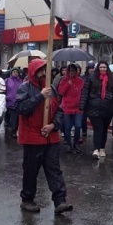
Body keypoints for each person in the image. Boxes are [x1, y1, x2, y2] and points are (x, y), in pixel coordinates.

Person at [15, 59, 72, 214]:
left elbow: (60, 110)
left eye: (45, 70)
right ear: (33, 72)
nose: (43, 73)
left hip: (51, 137)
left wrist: (53, 125)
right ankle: (27, 200)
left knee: (54, 169)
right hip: (33, 137)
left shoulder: (52, 88)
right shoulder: (25, 88)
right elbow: (22, 108)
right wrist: (40, 96)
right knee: (31, 170)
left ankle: (60, 201)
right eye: (40, 70)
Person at [79, 60, 113, 158]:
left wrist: (112, 97)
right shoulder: (92, 77)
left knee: (104, 129)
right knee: (98, 129)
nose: (102, 69)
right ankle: (96, 149)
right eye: (101, 67)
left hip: (107, 107)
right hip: (94, 107)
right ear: (98, 68)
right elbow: (85, 91)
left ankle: (102, 148)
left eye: (104, 67)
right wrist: (82, 105)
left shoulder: (112, 77)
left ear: (107, 68)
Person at [57, 63, 84, 153]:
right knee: (67, 127)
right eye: (70, 71)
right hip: (67, 108)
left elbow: (83, 92)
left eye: (73, 71)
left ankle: (76, 143)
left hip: (78, 108)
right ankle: (68, 144)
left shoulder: (80, 81)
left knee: (78, 126)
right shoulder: (64, 80)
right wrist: (68, 84)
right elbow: (61, 92)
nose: (71, 72)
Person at [0, 67, 22, 139]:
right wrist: (6, 97)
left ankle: (13, 130)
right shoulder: (7, 80)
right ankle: (11, 130)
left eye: (17, 72)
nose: (16, 73)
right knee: (12, 117)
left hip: (18, 102)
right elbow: (3, 90)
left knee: (16, 118)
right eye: (14, 72)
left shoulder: (21, 81)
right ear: (11, 73)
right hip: (9, 102)